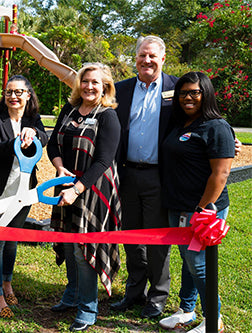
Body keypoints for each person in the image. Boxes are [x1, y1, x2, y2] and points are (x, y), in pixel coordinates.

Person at [47, 63, 122, 331]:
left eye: (95, 83)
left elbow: (104, 160)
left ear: (105, 87)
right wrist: (58, 165)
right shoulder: (69, 110)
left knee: (83, 251)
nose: (89, 87)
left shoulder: (108, 116)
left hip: (93, 189)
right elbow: (53, 141)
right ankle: (72, 295)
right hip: (65, 184)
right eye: (86, 81)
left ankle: (88, 309)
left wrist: (77, 189)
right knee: (69, 245)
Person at [158, 72, 234, 333]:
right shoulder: (182, 124)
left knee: (199, 264)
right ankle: (187, 310)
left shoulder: (217, 127)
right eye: (183, 93)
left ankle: (214, 320)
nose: (187, 98)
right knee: (187, 261)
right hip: (178, 205)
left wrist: (201, 211)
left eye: (194, 92)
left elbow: (220, 174)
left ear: (207, 94)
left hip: (204, 210)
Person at [111, 35, 179, 318]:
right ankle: (134, 292)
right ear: (135, 58)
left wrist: (228, 140)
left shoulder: (177, 88)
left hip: (159, 177)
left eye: (152, 56)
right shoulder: (121, 89)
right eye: (142, 55)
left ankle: (158, 297)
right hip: (127, 175)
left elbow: (204, 118)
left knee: (156, 240)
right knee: (130, 237)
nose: (147, 60)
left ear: (162, 59)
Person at [0, 75, 48, 318]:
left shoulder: (33, 119)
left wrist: (35, 134)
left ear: (28, 95)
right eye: (9, 92)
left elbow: (44, 138)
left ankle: (8, 283)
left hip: (24, 192)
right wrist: (19, 140)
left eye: (19, 92)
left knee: (12, 240)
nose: (13, 96)